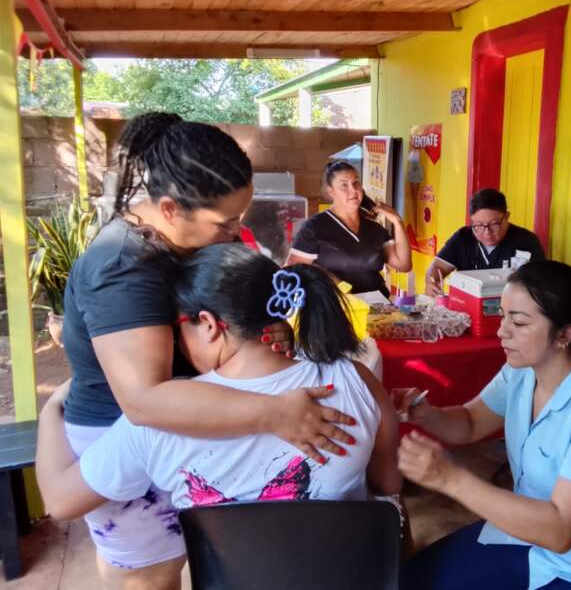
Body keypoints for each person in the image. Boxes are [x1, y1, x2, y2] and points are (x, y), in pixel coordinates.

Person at [60, 113, 357, 589]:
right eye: (225, 222)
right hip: (119, 436)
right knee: (151, 574)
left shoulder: (175, 241)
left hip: (178, 422)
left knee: (181, 556)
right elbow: (143, 401)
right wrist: (274, 413)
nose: (236, 231)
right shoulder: (122, 269)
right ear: (170, 209)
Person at [37, 245, 401, 538]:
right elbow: (387, 487)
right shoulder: (356, 380)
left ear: (208, 324)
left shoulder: (159, 421)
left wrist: (50, 412)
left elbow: (60, 502)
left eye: (176, 329)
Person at [395, 260, 571, 590]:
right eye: (503, 316)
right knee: (410, 581)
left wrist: (449, 479)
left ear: (566, 334)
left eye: (519, 322)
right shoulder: (522, 372)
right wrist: (428, 415)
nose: (502, 331)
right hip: (528, 537)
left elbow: (562, 529)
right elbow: (470, 422)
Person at [287, 160, 412, 296]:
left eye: (356, 183)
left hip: (377, 306)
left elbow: (403, 264)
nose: (353, 190)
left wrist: (397, 222)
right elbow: (293, 271)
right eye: (344, 185)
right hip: (335, 305)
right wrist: (327, 278)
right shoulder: (314, 227)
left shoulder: (374, 229)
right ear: (331, 191)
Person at [425, 188, 545, 295]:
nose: (487, 233)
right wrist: (432, 282)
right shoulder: (463, 238)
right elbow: (436, 268)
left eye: (494, 224)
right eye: (478, 225)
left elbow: (539, 287)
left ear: (507, 216)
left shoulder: (527, 242)